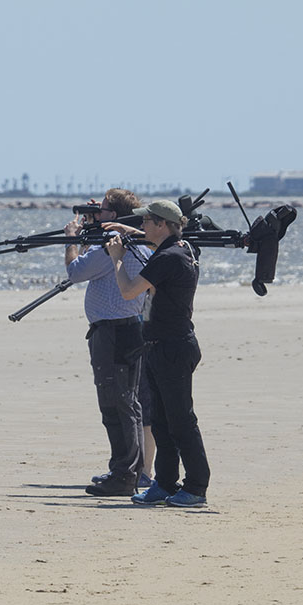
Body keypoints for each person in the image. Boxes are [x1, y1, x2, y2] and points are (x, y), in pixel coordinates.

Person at [105, 199, 209, 507]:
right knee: (162, 423)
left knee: (181, 421)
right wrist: (126, 230)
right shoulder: (179, 248)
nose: (141, 226)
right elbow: (159, 240)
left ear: (162, 225)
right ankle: (164, 483)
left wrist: (117, 258)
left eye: (146, 221)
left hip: (173, 347)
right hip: (160, 345)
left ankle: (196, 487)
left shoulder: (170, 258)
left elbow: (128, 291)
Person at [64, 188, 150, 497]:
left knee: (116, 404)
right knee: (127, 403)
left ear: (113, 216)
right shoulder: (141, 243)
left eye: (101, 211)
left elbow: (75, 272)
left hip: (112, 333)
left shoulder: (111, 250)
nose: (97, 215)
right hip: (130, 328)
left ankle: (124, 474)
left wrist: (72, 237)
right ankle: (127, 469)